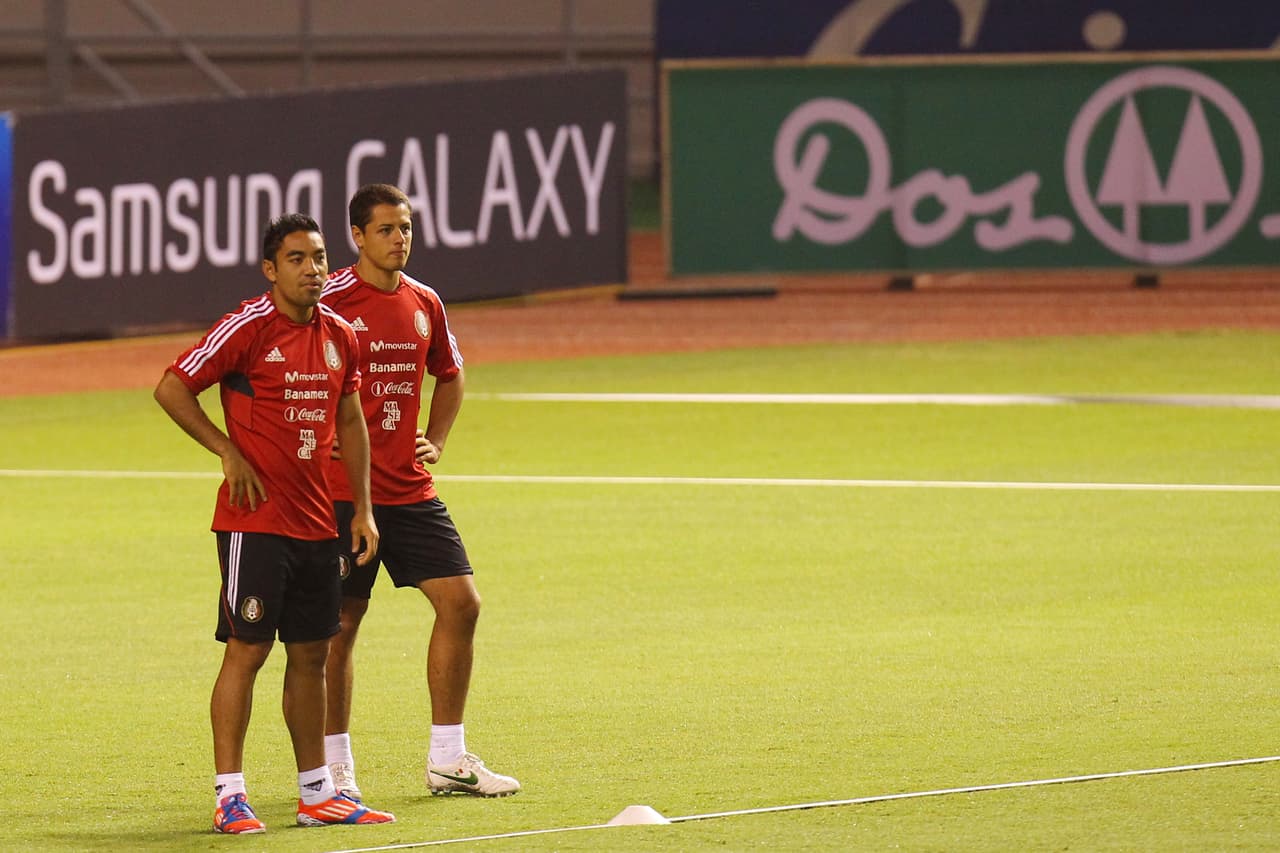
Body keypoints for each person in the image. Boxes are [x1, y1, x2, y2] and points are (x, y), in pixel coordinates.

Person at [154, 213, 397, 834]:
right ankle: (229, 795)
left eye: (317, 257)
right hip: (253, 522)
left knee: (312, 653)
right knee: (248, 650)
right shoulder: (247, 327)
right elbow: (173, 388)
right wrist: (226, 450)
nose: (312, 269)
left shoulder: (340, 333)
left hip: (319, 521)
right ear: (271, 269)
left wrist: (363, 507)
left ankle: (317, 793)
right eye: (296, 259)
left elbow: (351, 421)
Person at [320, 183, 520, 798]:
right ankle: (332, 768)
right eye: (386, 229)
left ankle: (447, 759)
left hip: (409, 491)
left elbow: (451, 375)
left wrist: (434, 435)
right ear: (357, 236)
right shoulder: (327, 302)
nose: (400, 238)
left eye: (405, 227)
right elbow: (279, 374)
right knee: (341, 623)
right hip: (339, 494)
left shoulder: (424, 301)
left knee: (463, 603)